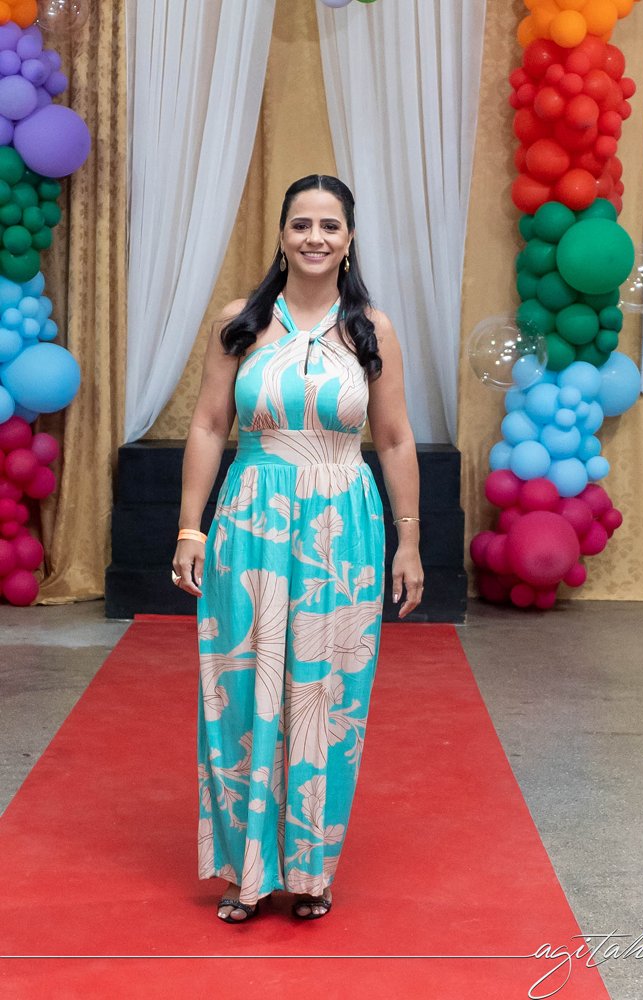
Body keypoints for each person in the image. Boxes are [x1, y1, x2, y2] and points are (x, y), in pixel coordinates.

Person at [172, 174, 423, 924]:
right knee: (242, 691)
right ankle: (244, 871)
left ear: (349, 240)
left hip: (342, 529)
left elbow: (394, 438)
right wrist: (190, 527)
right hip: (250, 520)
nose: (315, 237)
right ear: (282, 235)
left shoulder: (371, 329)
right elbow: (208, 425)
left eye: (330, 226)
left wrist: (409, 541)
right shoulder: (240, 323)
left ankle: (311, 870)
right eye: (301, 224)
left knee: (325, 693)